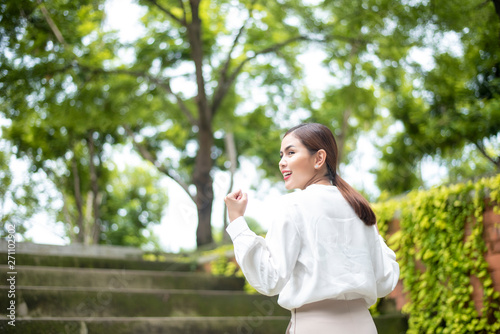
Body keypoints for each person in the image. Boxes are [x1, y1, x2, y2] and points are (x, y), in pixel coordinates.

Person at [224, 123, 400, 333]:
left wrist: (237, 221)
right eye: (281, 155)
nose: (282, 162)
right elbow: (384, 281)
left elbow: (269, 279)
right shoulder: (359, 207)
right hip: (364, 325)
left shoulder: (293, 205)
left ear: (319, 158)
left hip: (315, 325)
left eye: (290, 152)